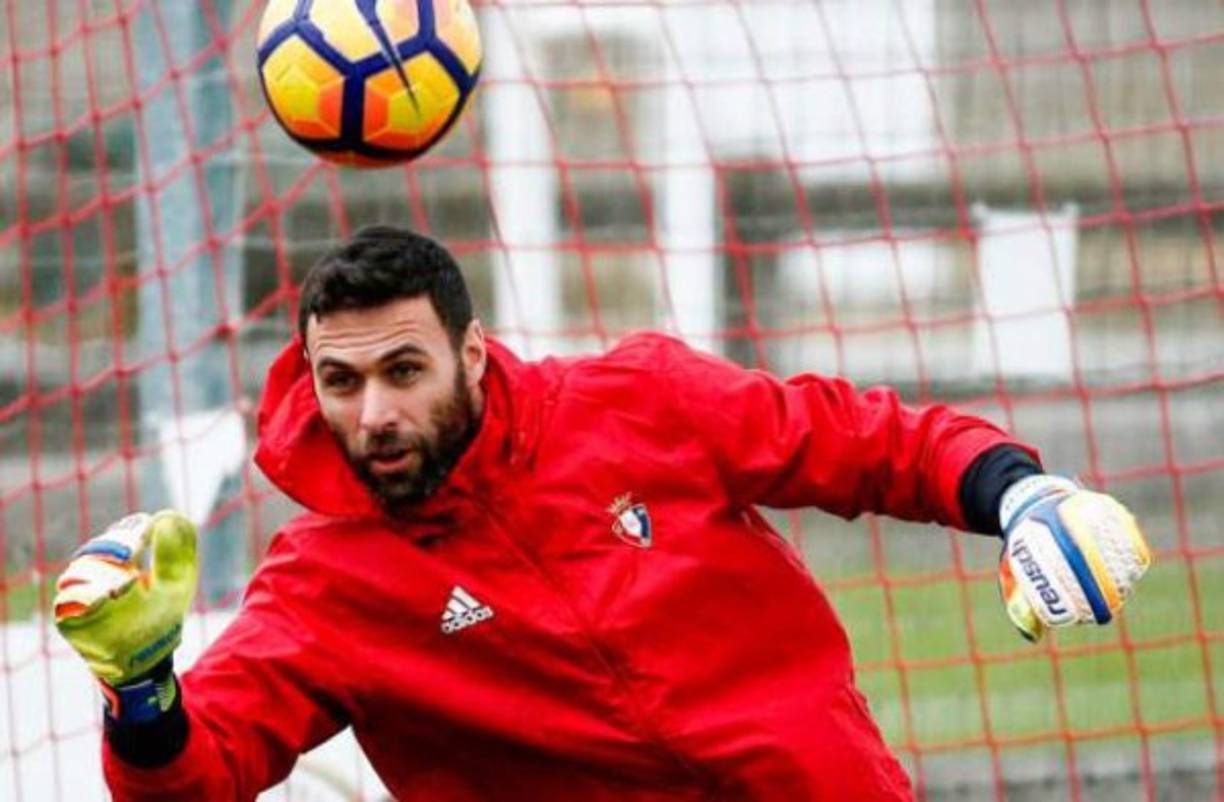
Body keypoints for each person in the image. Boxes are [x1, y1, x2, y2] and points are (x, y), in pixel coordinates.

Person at [53, 225, 1151, 801]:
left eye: (404, 370)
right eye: (342, 384)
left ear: (473, 354)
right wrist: (144, 694)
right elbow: (200, 782)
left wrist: (1019, 491)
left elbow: (863, 442)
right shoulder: (323, 584)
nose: (374, 412)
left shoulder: (639, 398)